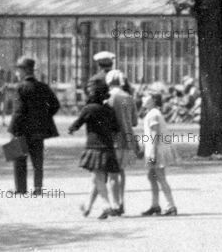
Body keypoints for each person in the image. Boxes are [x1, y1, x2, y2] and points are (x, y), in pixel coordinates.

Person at [69, 80, 122, 219]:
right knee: (96, 179)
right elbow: (116, 129)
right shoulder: (109, 110)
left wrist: (71, 129)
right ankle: (88, 207)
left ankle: (106, 205)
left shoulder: (89, 108)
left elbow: (77, 124)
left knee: (98, 178)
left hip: (94, 147)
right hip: (108, 148)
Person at [8, 56, 60, 195]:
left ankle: (20, 188)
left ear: (25, 71)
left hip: (21, 130)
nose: (17, 73)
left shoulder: (20, 87)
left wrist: (11, 130)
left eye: (19, 70)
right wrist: (44, 117)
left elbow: (18, 112)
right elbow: (55, 105)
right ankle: (38, 188)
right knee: (38, 161)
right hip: (38, 130)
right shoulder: (43, 87)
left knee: (19, 160)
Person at [106, 69, 138, 216]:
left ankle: (115, 204)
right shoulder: (128, 97)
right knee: (122, 172)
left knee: (112, 175)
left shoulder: (108, 98)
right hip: (128, 140)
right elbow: (135, 122)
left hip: (113, 140)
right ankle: (122, 202)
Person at [141, 92, 177, 216]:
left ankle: (171, 205)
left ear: (153, 101)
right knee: (152, 176)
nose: (143, 98)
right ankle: (155, 205)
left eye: (147, 97)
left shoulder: (153, 114)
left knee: (160, 177)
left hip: (155, 151)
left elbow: (155, 134)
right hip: (152, 150)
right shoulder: (152, 113)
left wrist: (152, 153)